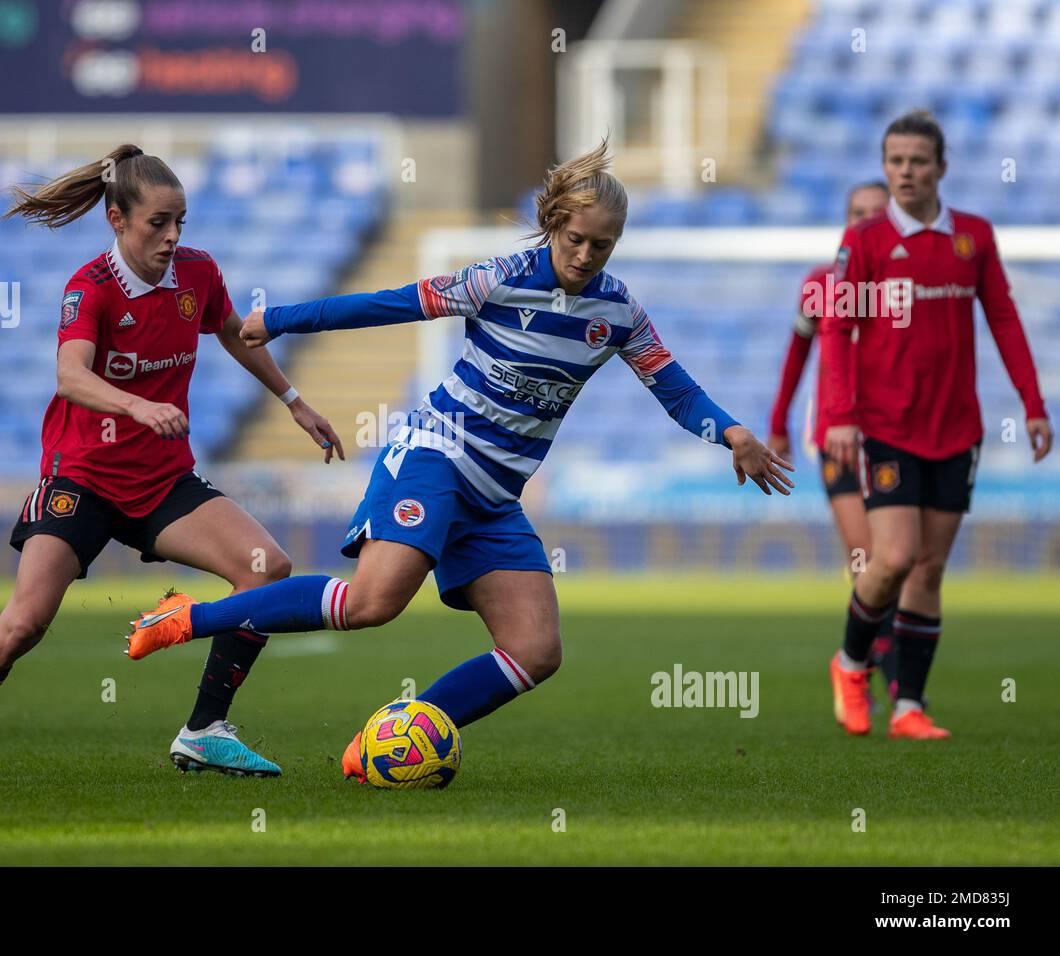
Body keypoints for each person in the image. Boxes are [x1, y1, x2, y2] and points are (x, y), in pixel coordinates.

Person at [122, 141, 793, 779]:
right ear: (554, 225)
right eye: (575, 239)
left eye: (602, 245)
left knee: (536, 650)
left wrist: (731, 432)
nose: (586, 254)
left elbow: (671, 384)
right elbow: (390, 304)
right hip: (435, 456)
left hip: (494, 497)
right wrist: (282, 318)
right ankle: (185, 616)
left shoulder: (618, 314)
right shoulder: (498, 280)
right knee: (372, 604)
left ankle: (395, 741)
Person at [0, 145, 343, 779]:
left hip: (161, 480)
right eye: (157, 222)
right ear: (116, 219)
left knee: (267, 567)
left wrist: (294, 401)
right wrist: (135, 407)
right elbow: (70, 375)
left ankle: (203, 730)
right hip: (84, 478)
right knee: (22, 625)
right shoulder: (91, 289)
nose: (172, 236)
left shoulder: (197, 273)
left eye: (180, 221)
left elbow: (233, 331)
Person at [822, 111, 1052, 740]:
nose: (905, 172)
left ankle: (909, 708)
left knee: (928, 569)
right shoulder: (864, 241)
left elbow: (1003, 318)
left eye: (918, 161)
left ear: (941, 168)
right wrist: (840, 414)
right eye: (895, 160)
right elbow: (838, 328)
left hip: (957, 429)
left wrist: (1033, 403)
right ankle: (850, 663)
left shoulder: (972, 236)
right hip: (888, 424)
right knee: (892, 556)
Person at [767, 181, 907, 705]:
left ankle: (874, 667)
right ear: (846, 221)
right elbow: (797, 353)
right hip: (838, 437)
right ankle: (886, 679)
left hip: (895, 436)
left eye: (878, 213)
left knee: (899, 562)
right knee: (866, 560)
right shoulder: (821, 284)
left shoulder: (904, 286)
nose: (867, 221)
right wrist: (778, 421)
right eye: (858, 213)